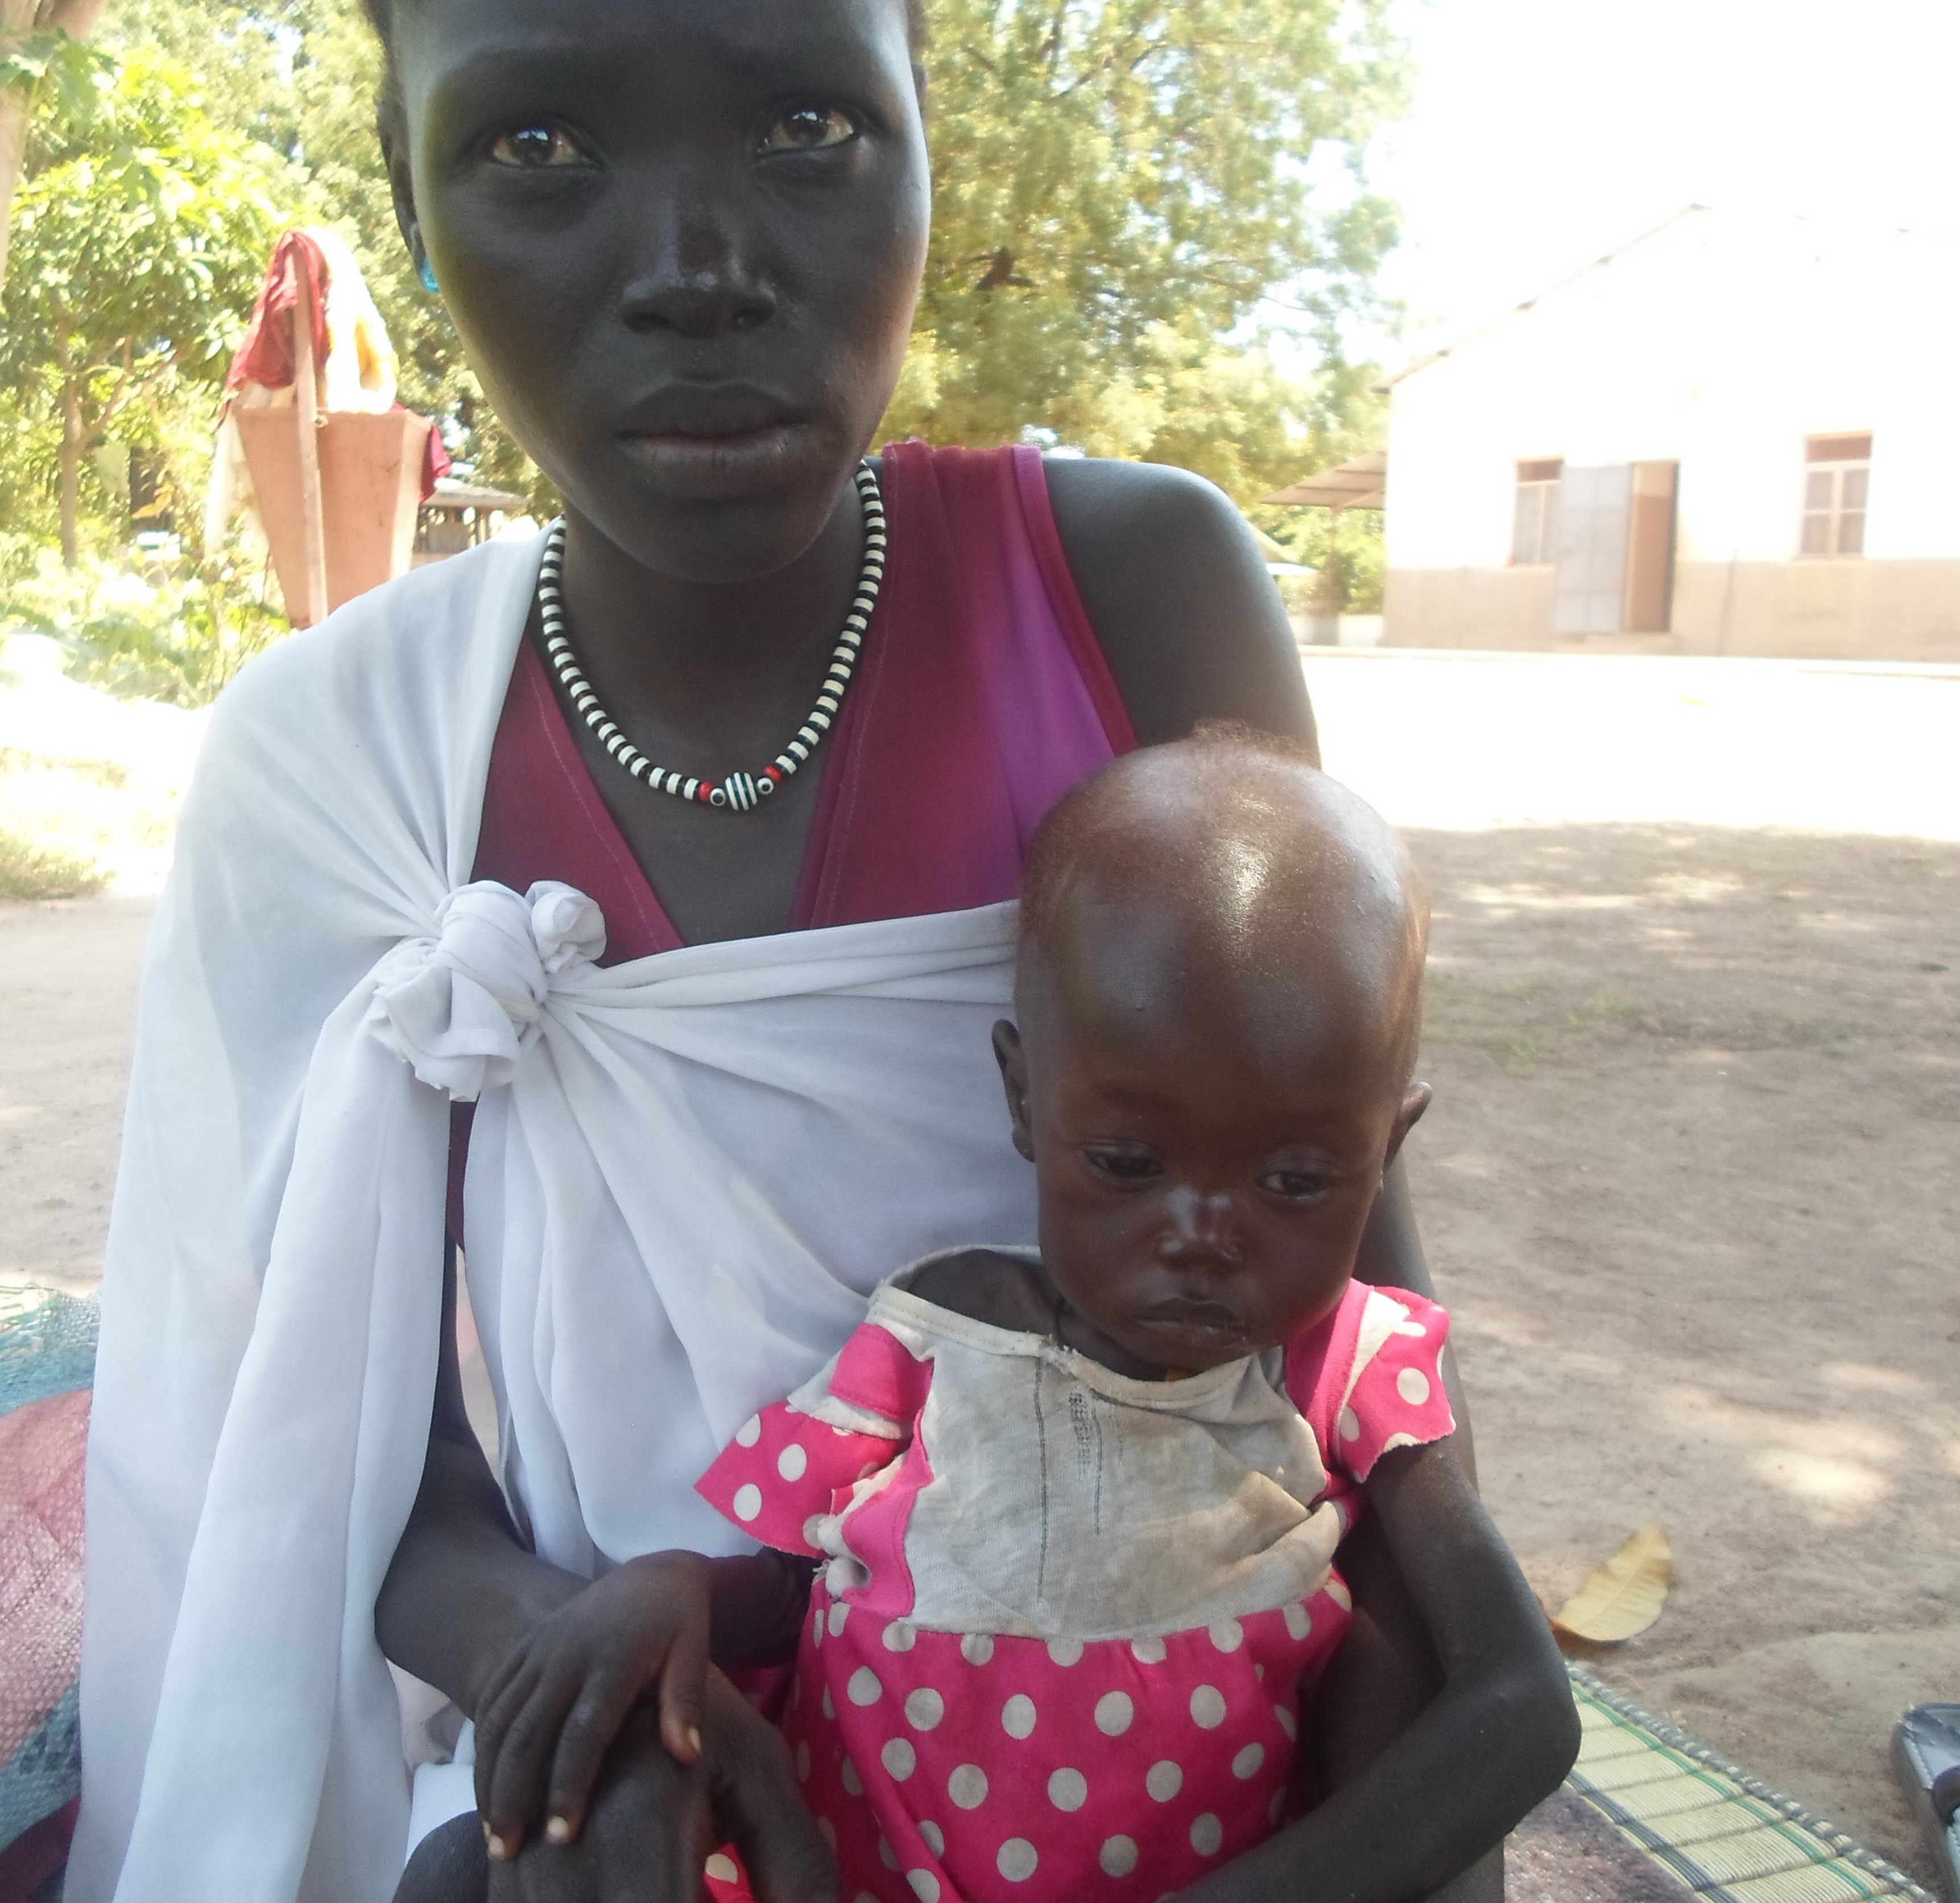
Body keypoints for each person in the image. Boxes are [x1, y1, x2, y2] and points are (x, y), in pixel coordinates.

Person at [71, 4, 1492, 1902]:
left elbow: (1346, 1344)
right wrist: (576, 1691)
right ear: (411, 195)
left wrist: (1390, 1803)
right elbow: (339, 1478)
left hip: (1187, 1762)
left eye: (808, 124)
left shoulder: (1135, 596)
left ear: (927, 154)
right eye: (541, 150)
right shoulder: (335, 768)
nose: (695, 268)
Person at [446, 738, 1579, 1903]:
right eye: (1128, 1160)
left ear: (1383, 1151)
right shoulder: (934, 1325)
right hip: (849, 1867)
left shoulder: (1349, 1364)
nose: (1204, 1230)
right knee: (470, 1866)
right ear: (1023, 1097)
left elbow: (1522, 1704)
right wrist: (676, 1583)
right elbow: (798, 1582)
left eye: (1294, 1181)